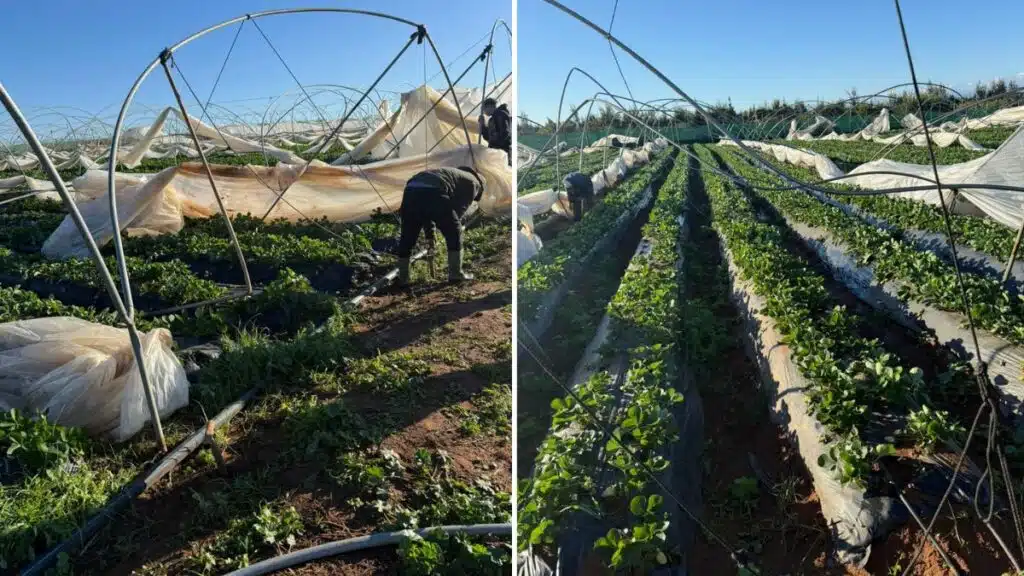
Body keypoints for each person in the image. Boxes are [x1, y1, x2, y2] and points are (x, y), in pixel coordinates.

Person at [396, 166, 485, 286]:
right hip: (434, 191)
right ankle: (455, 274)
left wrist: (430, 235)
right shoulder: (474, 184)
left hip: (411, 189)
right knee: (454, 231)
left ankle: (403, 278)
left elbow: (426, 212)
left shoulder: (452, 174)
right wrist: (449, 227)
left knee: (408, 236)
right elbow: (458, 212)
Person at [478, 98, 512, 166]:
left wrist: (496, 147)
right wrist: (482, 125)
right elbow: (488, 136)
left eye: (484, 109)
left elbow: (505, 133)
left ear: (490, 107)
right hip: (496, 150)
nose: (484, 112)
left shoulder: (500, 115)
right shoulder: (492, 119)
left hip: (502, 151)